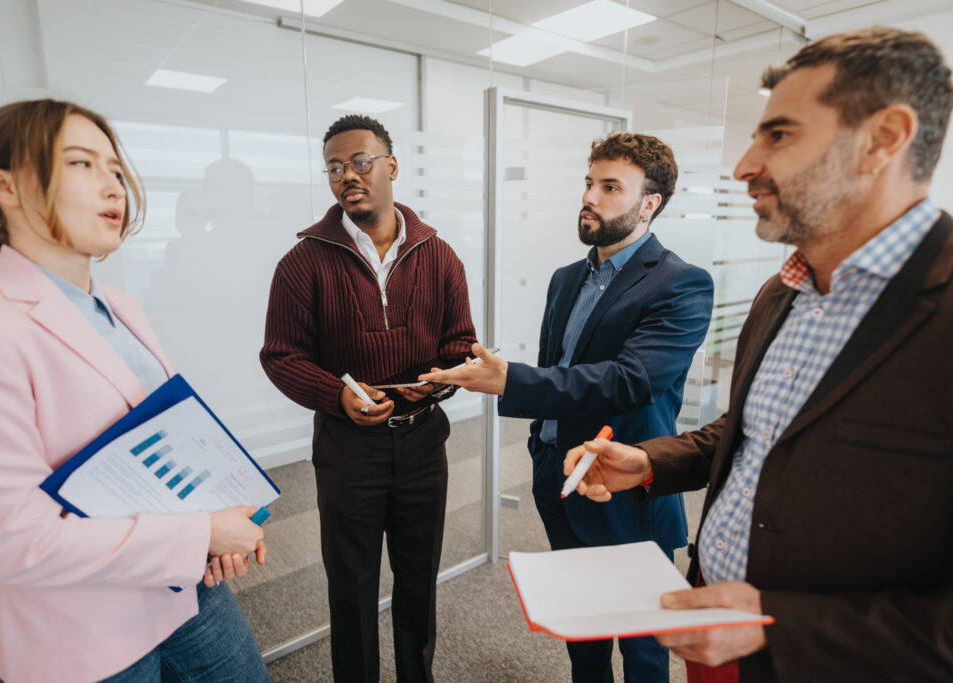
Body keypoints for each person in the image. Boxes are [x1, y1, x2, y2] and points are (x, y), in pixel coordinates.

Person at [566, 27, 953, 683]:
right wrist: (649, 460)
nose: (745, 164)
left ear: (882, 140)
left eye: (778, 134)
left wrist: (777, 623)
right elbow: (752, 436)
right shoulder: (783, 292)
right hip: (714, 645)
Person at [0, 99, 271, 683]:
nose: (113, 185)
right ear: (4, 185)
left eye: (115, 168)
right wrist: (203, 532)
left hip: (186, 591)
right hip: (84, 630)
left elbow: (160, 446)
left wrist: (214, 526)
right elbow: (18, 542)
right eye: (82, 164)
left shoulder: (121, 305)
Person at [422, 132, 713, 683]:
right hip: (557, 473)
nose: (590, 197)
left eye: (610, 187)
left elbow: (632, 382)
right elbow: (564, 369)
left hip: (625, 481)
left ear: (649, 203)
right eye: (588, 183)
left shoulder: (682, 284)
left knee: (642, 640)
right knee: (583, 626)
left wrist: (511, 379)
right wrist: (540, 444)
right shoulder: (566, 279)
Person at [260, 114, 476, 682]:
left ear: (391, 166)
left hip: (425, 441)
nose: (347, 176)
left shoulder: (440, 255)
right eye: (335, 167)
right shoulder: (302, 263)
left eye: (360, 162)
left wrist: (443, 378)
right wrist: (338, 396)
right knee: (351, 587)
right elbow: (281, 356)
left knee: (417, 579)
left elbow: (461, 343)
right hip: (348, 447)